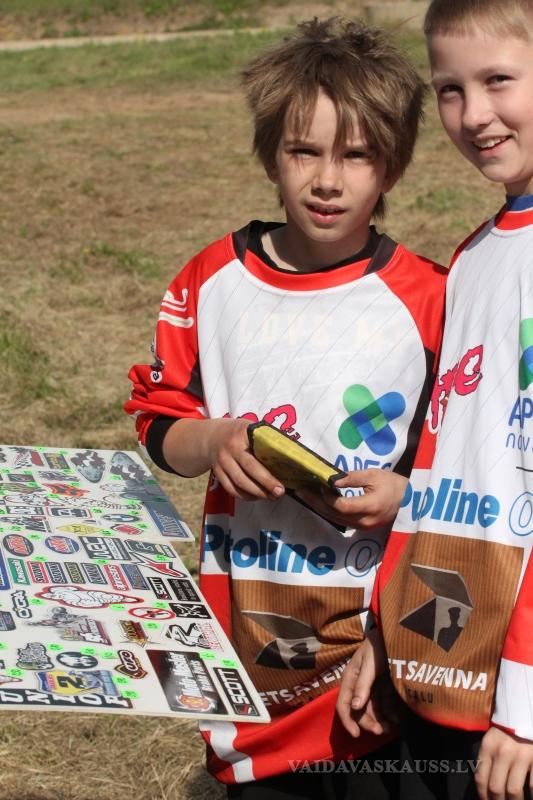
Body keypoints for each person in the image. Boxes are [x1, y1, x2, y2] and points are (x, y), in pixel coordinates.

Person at [125, 17, 446, 799]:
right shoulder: (212, 280)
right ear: (271, 156)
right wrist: (214, 441)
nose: (327, 180)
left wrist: (407, 494)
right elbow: (158, 421)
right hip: (249, 631)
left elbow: (462, 471)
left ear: (391, 166)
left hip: (379, 645)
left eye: (356, 155)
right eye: (304, 151)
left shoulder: (431, 300)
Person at [336, 2, 533, 798]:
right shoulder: (478, 255)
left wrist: (523, 704)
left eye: (498, 80)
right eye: (450, 88)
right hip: (450, 658)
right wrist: (391, 632)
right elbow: (450, 467)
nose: (473, 114)